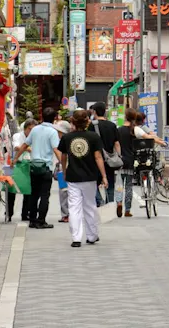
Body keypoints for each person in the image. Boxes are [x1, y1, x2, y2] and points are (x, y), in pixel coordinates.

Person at [58, 110, 108, 247]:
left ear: (72, 122)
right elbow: (98, 157)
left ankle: (76, 238)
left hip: (72, 175)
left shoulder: (67, 138)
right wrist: (104, 176)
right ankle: (92, 236)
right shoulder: (93, 137)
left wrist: (64, 171)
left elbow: (63, 156)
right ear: (87, 122)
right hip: (90, 175)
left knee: (74, 207)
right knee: (90, 205)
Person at [14, 108, 62, 229]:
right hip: (45, 167)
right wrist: (64, 163)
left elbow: (25, 145)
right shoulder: (52, 132)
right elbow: (56, 149)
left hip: (34, 166)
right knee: (45, 195)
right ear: (54, 118)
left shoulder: (34, 130)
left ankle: (32, 220)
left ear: (42, 116)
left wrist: (15, 158)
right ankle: (41, 221)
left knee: (34, 194)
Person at [92, 102, 121, 207]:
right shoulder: (112, 125)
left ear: (94, 112)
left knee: (93, 184)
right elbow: (116, 143)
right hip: (110, 159)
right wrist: (118, 156)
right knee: (110, 184)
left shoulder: (92, 125)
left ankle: (99, 201)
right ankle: (110, 206)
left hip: (95, 160)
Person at [8, 119, 36, 223]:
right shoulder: (17, 136)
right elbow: (16, 147)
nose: (31, 131)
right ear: (25, 128)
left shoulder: (35, 137)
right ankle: (9, 213)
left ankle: (25, 214)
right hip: (18, 165)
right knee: (12, 189)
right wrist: (27, 148)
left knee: (28, 191)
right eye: (30, 129)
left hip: (29, 164)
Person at [54, 120, 72, 223]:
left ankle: (66, 215)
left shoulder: (65, 140)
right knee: (66, 192)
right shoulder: (67, 139)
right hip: (66, 169)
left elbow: (63, 156)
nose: (57, 133)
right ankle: (67, 214)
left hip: (65, 169)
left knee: (64, 192)